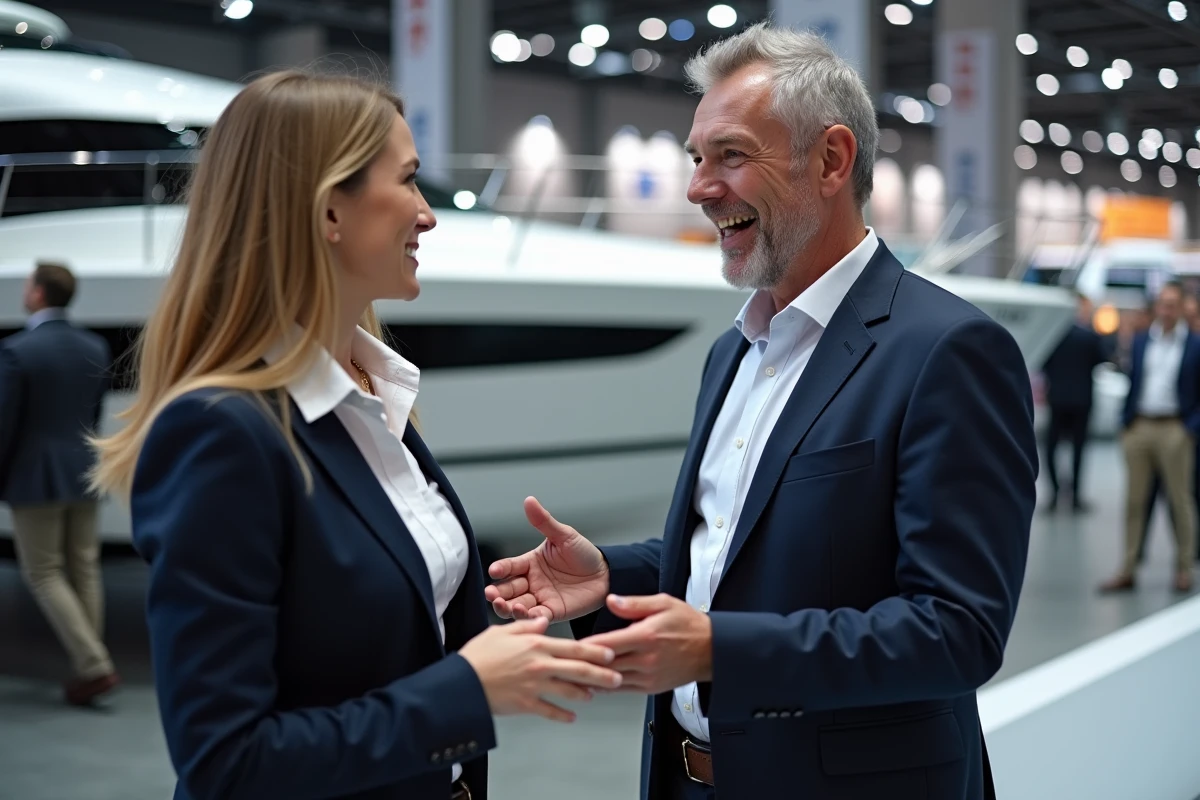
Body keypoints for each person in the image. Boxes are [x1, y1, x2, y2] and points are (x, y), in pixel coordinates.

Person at [488, 23, 1035, 800]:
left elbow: (957, 630)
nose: (698, 187)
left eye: (731, 155)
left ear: (832, 160)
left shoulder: (947, 351)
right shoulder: (733, 351)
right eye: (697, 158)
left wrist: (720, 650)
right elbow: (735, 548)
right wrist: (612, 575)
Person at [87, 71, 622, 800]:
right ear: (330, 210)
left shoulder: (372, 393)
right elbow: (226, 763)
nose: (428, 215)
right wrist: (465, 692)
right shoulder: (221, 434)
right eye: (408, 180)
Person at [0, 261, 118, 706]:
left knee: (44, 571)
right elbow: (93, 414)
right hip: (84, 468)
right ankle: (90, 664)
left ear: (38, 294)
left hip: (34, 476)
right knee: (84, 566)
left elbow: (4, 424)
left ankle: (94, 666)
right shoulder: (95, 346)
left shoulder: (17, 350)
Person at [1100, 281, 1199, 593]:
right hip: (1140, 426)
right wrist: (1125, 423)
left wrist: (1189, 428)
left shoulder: (1194, 344)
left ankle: (1183, 567)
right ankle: (1128, 567)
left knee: (1180, 500)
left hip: (1175, 428)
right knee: (1134, 501)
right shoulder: (1142, 340)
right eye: (1163, 304)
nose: (1166, 311)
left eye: (1172, 305)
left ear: (1181, 308)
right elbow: (1134, 380)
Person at [1040, 292, 1110, 512]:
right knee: (1078, 449)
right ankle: (1076, 496)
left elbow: (1042, 362)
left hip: (1058, 398)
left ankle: (1055, 494)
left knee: (1052, 447)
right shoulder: (1089, 337)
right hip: (1082, 399)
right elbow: (1102, 359)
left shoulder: (1052, 335)